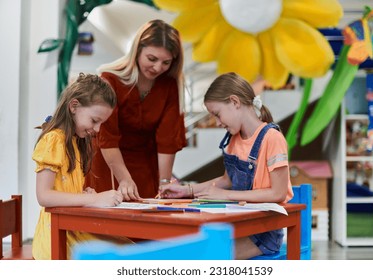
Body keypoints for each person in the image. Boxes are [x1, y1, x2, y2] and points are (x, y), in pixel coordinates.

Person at [159, 72, 293, 260]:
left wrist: (226, 195)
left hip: (263, 234)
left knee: (207, 257)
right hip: (236, 226)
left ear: (234, 102)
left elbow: (277, 193)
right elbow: (226, 181)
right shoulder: (233, 140)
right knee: (186, 249)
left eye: (217, 114)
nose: (218, 122)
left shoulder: (272, 138)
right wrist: (185, 190)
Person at [32, 73, 132, 260]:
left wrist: (84, 195)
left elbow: (63, 190)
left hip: (70, 229)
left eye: (101, 123)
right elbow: (44, 196)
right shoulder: (54, 140)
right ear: (74, 106)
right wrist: (93, 200)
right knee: (125, 256)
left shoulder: (75, 141)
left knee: (129, 248)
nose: (98, 129)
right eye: (95, 121)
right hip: (56, 237)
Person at [84, 19, 187, 200]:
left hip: (145, 168)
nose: (157, 68)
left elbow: (167, 141)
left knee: (145, 221)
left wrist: (164, 183)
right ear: (137, 50)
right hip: (107, 165)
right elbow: (107, 139)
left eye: (166, 62)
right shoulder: (110, 80)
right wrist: (124, 179)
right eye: (152, 59)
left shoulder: (170, 86)